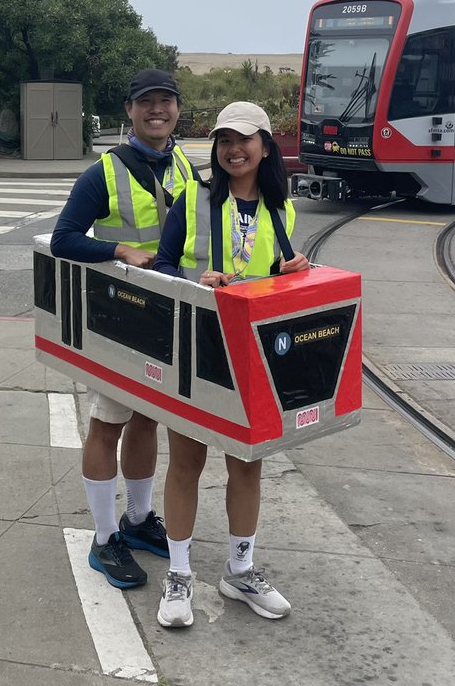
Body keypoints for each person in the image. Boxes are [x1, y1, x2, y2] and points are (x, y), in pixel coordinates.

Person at [151, 100, 310, 628]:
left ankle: (239, 571)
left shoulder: (280, 209)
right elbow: (165, 265)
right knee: (186, 462)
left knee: (247, 463)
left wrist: (293, 275)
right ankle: (179, 576)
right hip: (194, 347)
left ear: (265, 147)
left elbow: (277, 285)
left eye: (243, 139)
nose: (232, 149)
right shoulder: (192, 199)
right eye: (223, 140)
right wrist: (193, 282)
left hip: (251, 356)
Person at [50, 69, 198, 589]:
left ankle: (137, 521)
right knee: (109, 421)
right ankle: (104, 537)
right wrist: (118, 250)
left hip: (166, 316)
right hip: (117, 319)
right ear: (130, 112)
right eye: (147, 103)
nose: (157, 110)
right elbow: (63, 239)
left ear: (177, 109)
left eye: (166, 102)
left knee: (146, 422)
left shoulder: (184, 164)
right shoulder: (103, 173)